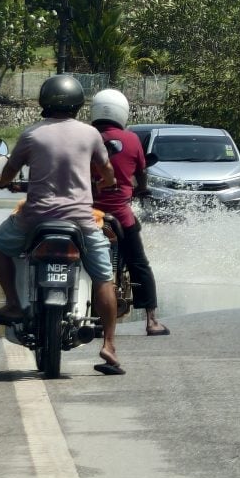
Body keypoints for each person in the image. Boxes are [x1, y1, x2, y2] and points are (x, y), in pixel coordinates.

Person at [0, 74, 125, 376]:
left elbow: (9, 172)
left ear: (44, 101)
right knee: (104, 278)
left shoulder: (32, 135)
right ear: (78, 103)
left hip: (36, 218)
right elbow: (107, 170)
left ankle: (13, 302)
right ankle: (109, 344)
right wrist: (107, 183)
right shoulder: (90, 134)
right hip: (81, 221)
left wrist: (0, 181)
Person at [89, 89, 168, 336]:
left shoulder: (85, 137)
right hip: (120, 216)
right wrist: (142, 189)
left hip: (88, 215)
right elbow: (141, 172)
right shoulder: (132, 140)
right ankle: (151, 320)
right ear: (122, 112)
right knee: (139, 263)